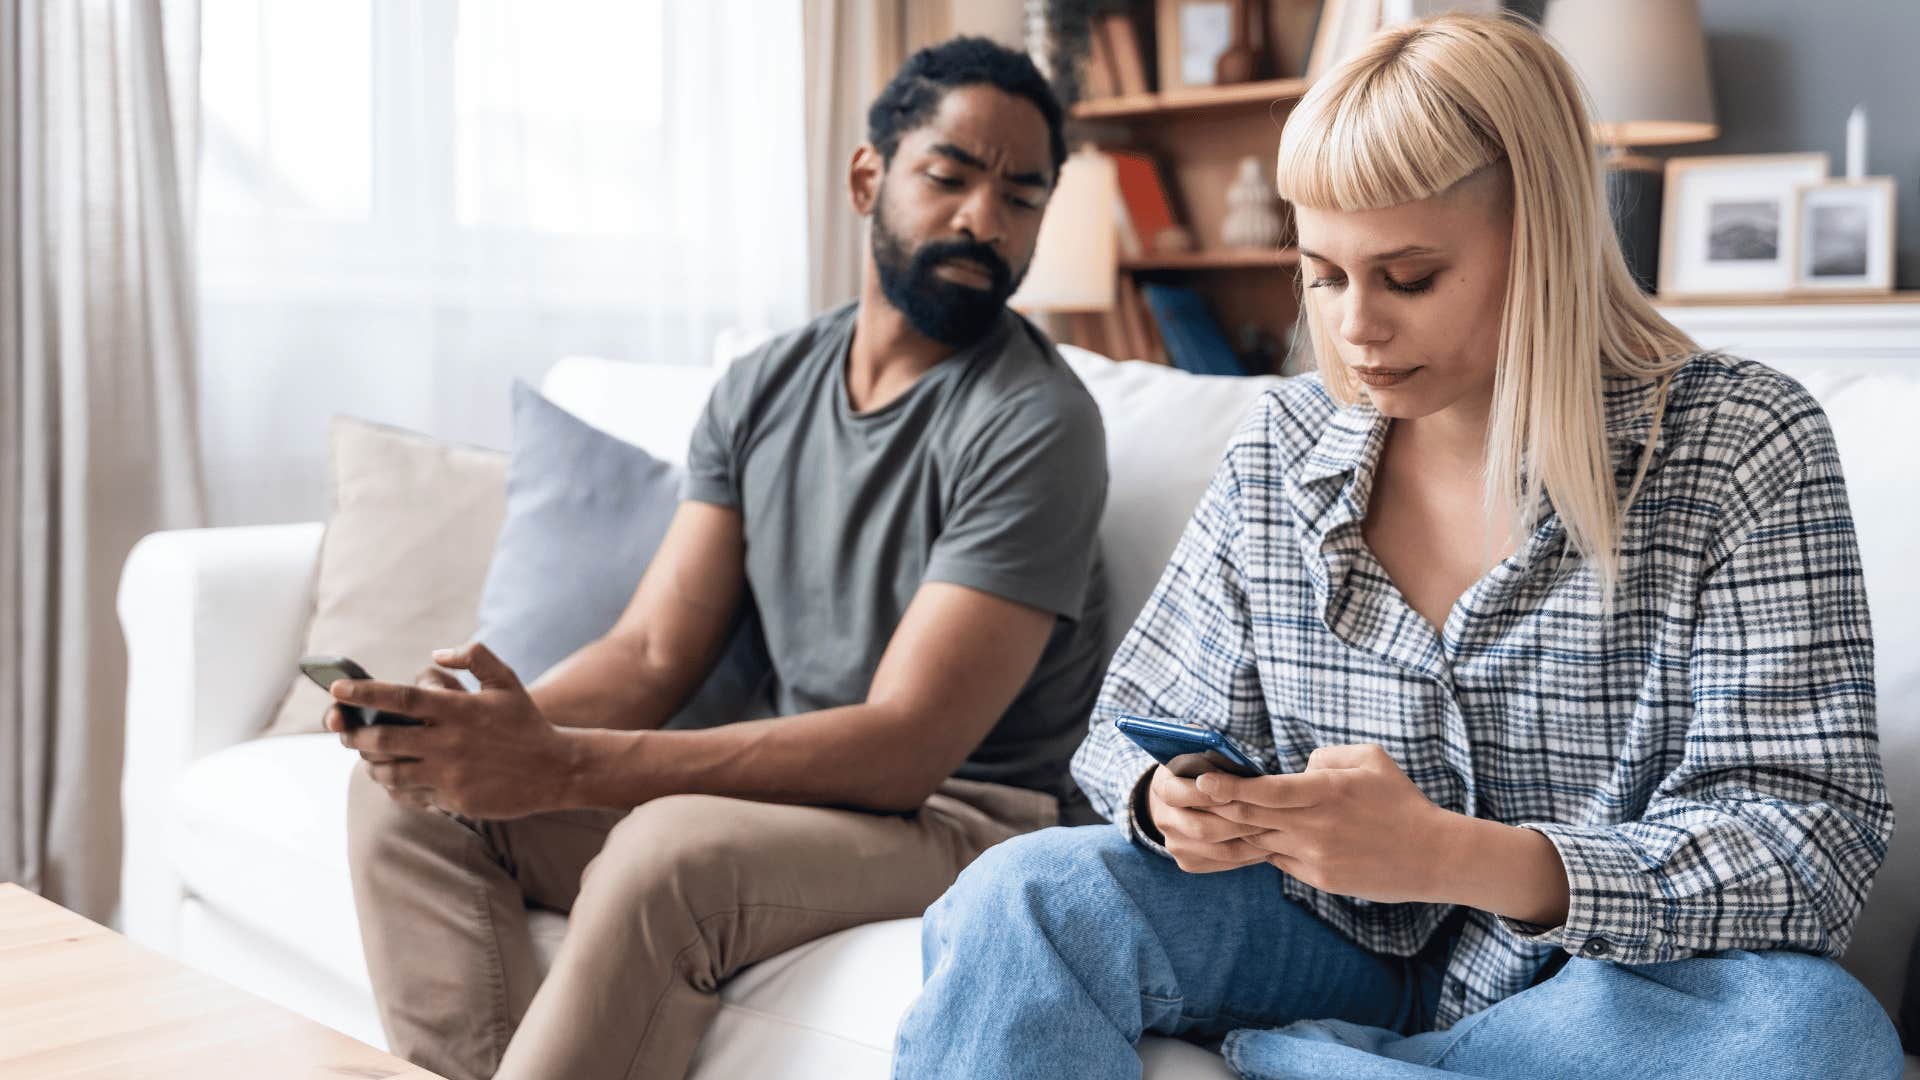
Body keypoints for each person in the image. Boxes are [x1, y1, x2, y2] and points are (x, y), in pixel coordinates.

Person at [893, 14, 1903, 1079]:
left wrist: (1457, 858)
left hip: (1595, 982)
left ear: (1543, 236)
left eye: (1408, 276)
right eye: (1324, 275)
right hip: (1317, 936)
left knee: (1811, 1034)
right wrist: (1173, 801)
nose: (1355, 327)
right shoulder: (1280, 452)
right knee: (1026, 895)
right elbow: (1128, 735)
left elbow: (1806, 843)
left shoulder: (1740, 443)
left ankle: (1341, 1061)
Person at [332, 36, 1110, 1080]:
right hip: (810, 798)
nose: (984, 218)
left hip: (965, 817)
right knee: (411, 802)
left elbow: (906, 746)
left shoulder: (1038, 423)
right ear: (866, 177)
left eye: (1023, 195)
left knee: (667, 853)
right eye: (951, 175)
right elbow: (655, 651)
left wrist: (560, 762)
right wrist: (494, 736)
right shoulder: (765, 383)